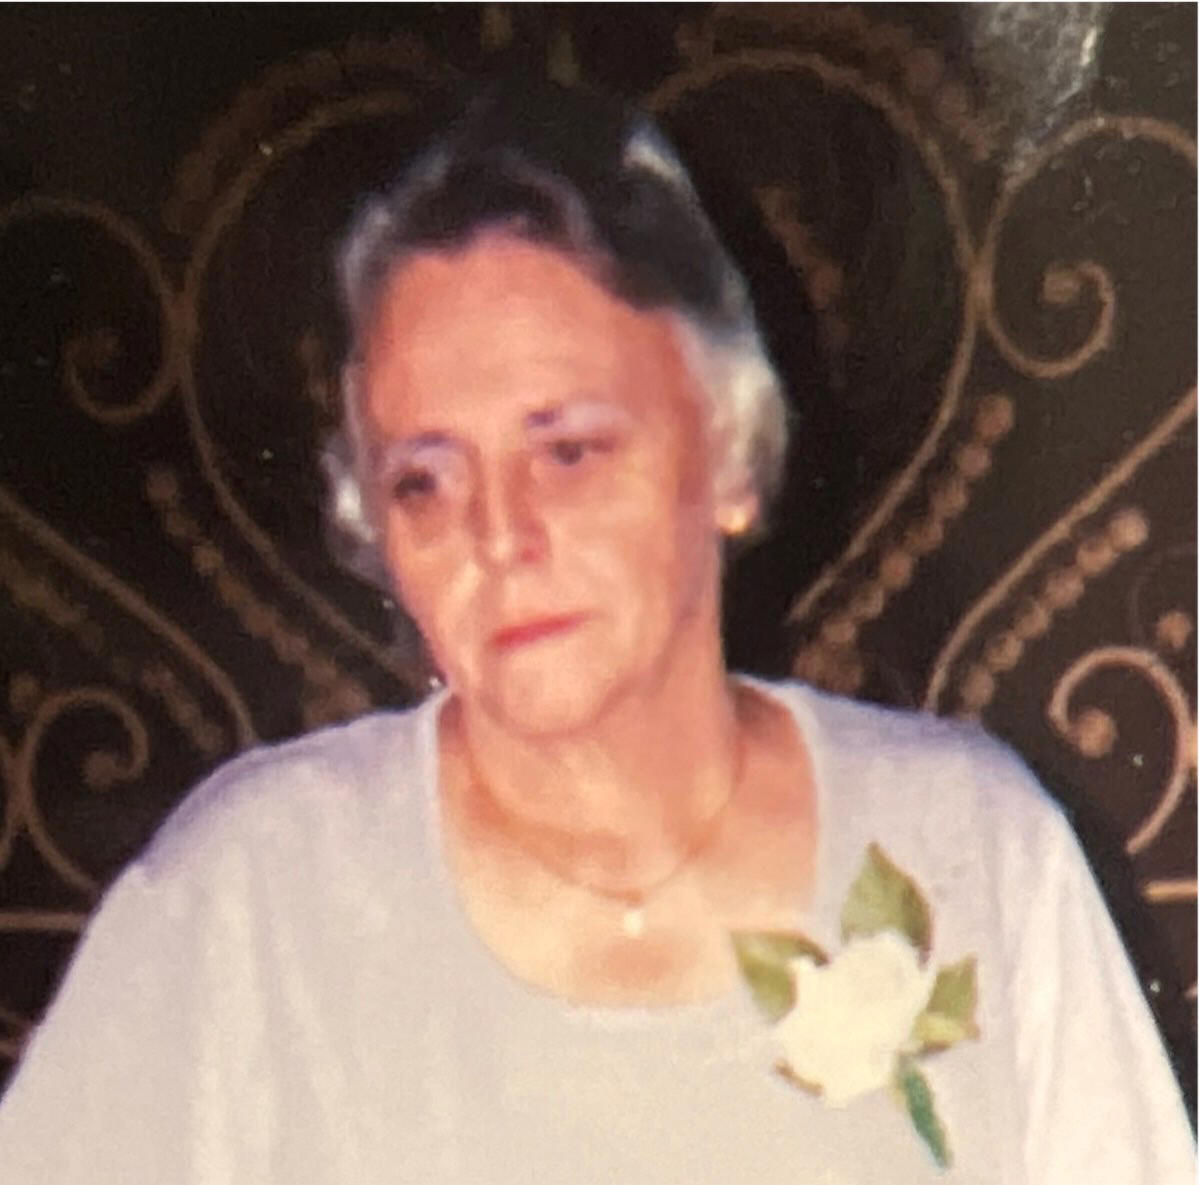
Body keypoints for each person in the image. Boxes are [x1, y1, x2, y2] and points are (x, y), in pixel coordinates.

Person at [0, 83, 1192, 1184]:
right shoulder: (251, 899)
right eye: (423, 481)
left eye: (566, 451)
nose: (498, 535)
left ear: (727, 453)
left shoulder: (974, 850)